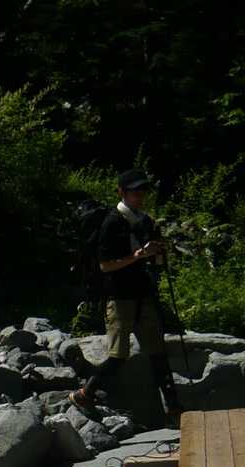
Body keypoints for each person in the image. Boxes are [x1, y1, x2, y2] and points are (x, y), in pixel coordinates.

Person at [70, 168, 181, 420]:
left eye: (143, 190)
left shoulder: (146, 221)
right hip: (119, 297)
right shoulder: (112, 222)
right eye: (134, 191)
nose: (140, 195)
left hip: (144, 294)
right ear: (122, 192)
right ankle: (84, 393)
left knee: (158, 352)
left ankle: (174, 409)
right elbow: (105, 265)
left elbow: (155, 261)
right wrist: (138, 255)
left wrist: (158, 253)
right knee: (118, 355)